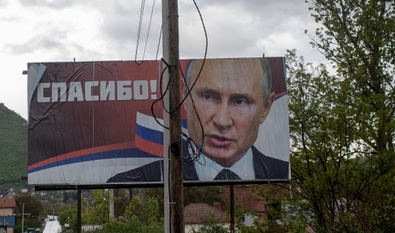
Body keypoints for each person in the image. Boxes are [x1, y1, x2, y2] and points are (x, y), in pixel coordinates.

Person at [108, 57, 288, 183]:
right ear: (185, 95)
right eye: (208, 97)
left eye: (240, 101)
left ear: (266, 107)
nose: (222, 121)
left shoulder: (281, 172)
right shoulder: (133, 178)